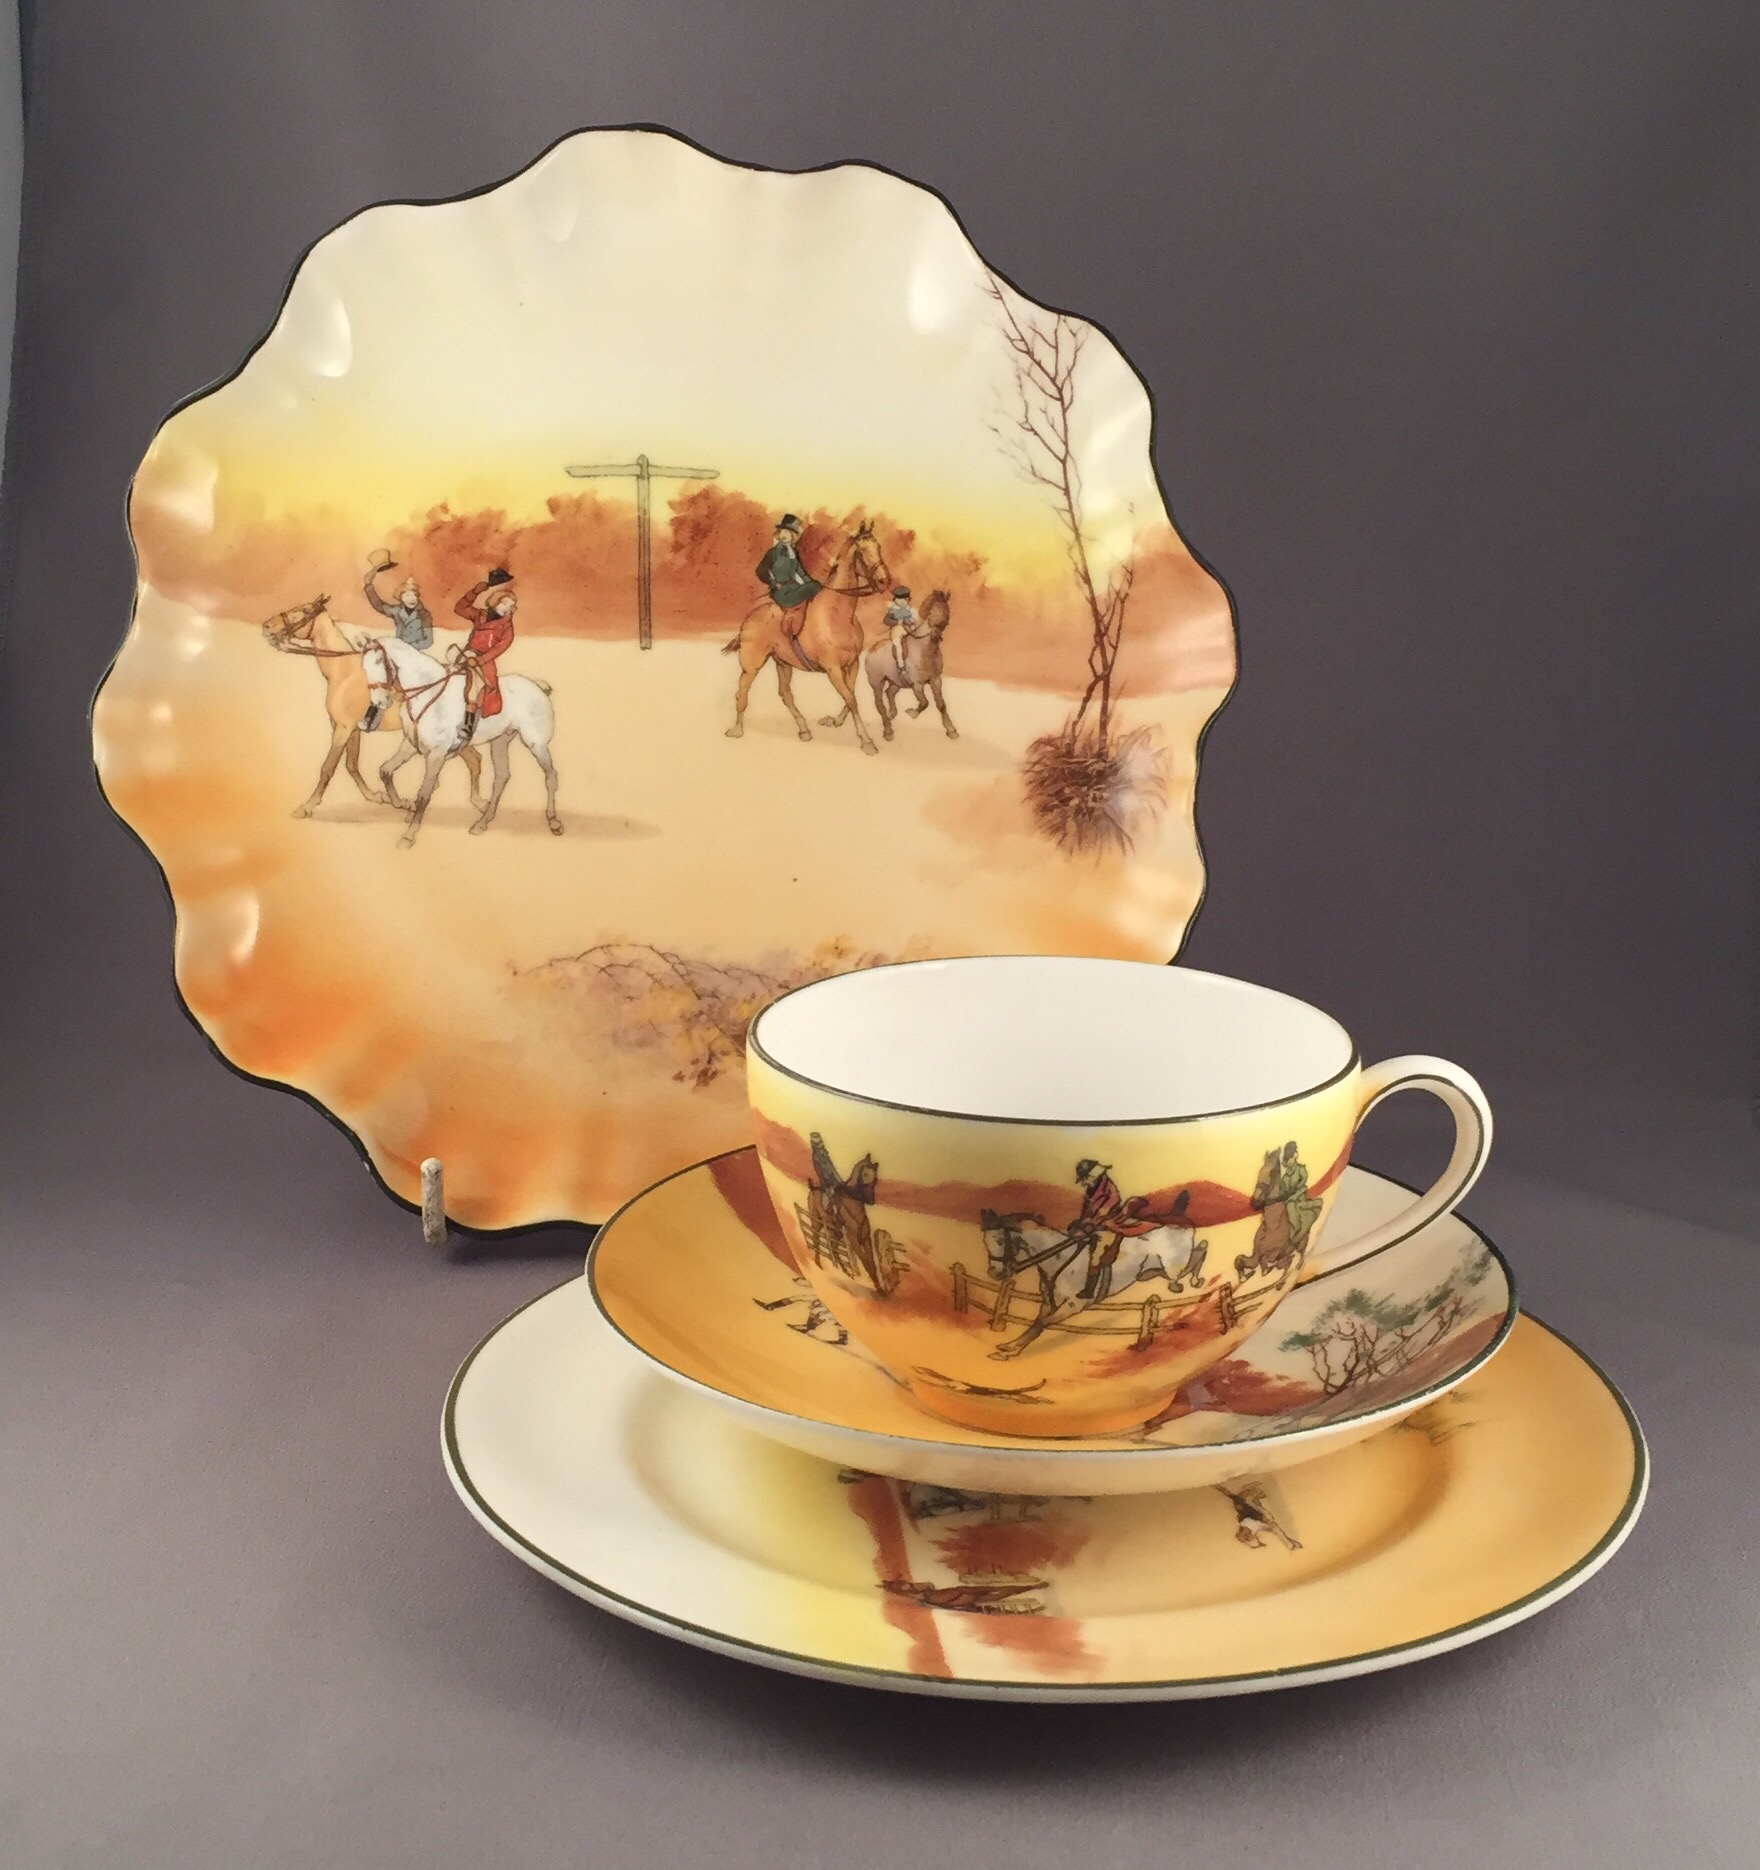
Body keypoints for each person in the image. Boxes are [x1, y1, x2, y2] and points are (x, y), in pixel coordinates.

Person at [450, 568, 518, 748]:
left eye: (511, 605)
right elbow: (459, 608)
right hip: (467, 654)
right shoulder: (480, 615)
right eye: (504, 603)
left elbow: (500, 647)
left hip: (484, 661)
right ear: (495, 602)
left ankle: (468, 726)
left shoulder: (507, 626)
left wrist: (479, 661)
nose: (507, 608)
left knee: (477, 688)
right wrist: (476, 590)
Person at [755, 514, 821, 636]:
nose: (784, 535)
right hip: (782, 593)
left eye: (788, 532)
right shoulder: (773, 552)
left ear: (793, 535)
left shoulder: (793, 553)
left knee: (816, 586)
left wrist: (812, 584)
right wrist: (774, 583)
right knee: (814, 587)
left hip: (794, 588)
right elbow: (760, 571)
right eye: (783, 531)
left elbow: (800, 573)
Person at [362, 555, 433, 651]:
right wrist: (368, 586)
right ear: (401, 598)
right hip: (398, 650)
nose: (412, 599)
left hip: (415, 652)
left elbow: (428, 641)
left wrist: (408, 647)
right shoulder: (396, 611)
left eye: (414, 595)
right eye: (407, 596)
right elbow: (379, 606)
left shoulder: (424, 615)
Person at [883, 584, 922, 677]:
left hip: (911, 629)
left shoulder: (911, 610)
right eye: (903, 599)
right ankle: (901, 665)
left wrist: (912, 622)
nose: (905, 601)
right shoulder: (893, 610)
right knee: (897, 644)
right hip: (898, 629)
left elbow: (916, 619)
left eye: (906, 599)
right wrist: (899, 621)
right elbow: (886, 620)